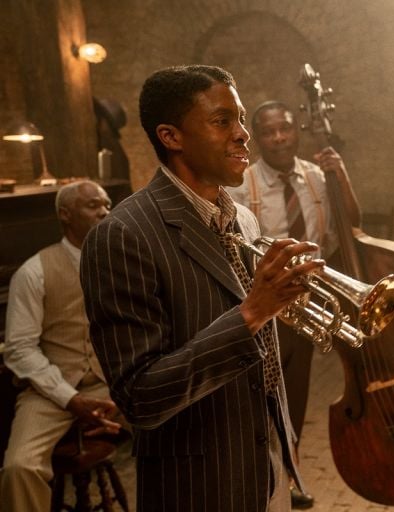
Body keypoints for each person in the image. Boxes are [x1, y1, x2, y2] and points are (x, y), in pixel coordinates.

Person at [80, 65, 323, 512]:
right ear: (171, 137)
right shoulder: (122, 235)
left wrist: (287, 299)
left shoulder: (244, 220)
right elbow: (140, 397)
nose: (243, 134)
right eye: (222, 121)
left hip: (267, 466)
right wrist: (251, 313)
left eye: (242, 118)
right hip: (200, 481)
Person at [227, 100, 361, 509]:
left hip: (304, 306)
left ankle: (290, 476)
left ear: (296, 130)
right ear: (258, 136)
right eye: (268, 132)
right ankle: (257, 479)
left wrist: (342, 177)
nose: (279, 138)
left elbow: (349, 224)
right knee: (259, 395)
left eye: (285, 129)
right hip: (262, 303)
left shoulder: (317, 176)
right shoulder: (241, 183)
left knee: (293, 396)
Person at [1, 180, 121, 511]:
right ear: (65, 215)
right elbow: (19, 350)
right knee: (19, 467)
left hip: (115, 385)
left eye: (107, 203)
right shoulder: (33, 272)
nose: (104, 212)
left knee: (184, 429)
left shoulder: (124, 263)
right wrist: (70, 400)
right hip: (54, 390)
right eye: (93, 205)